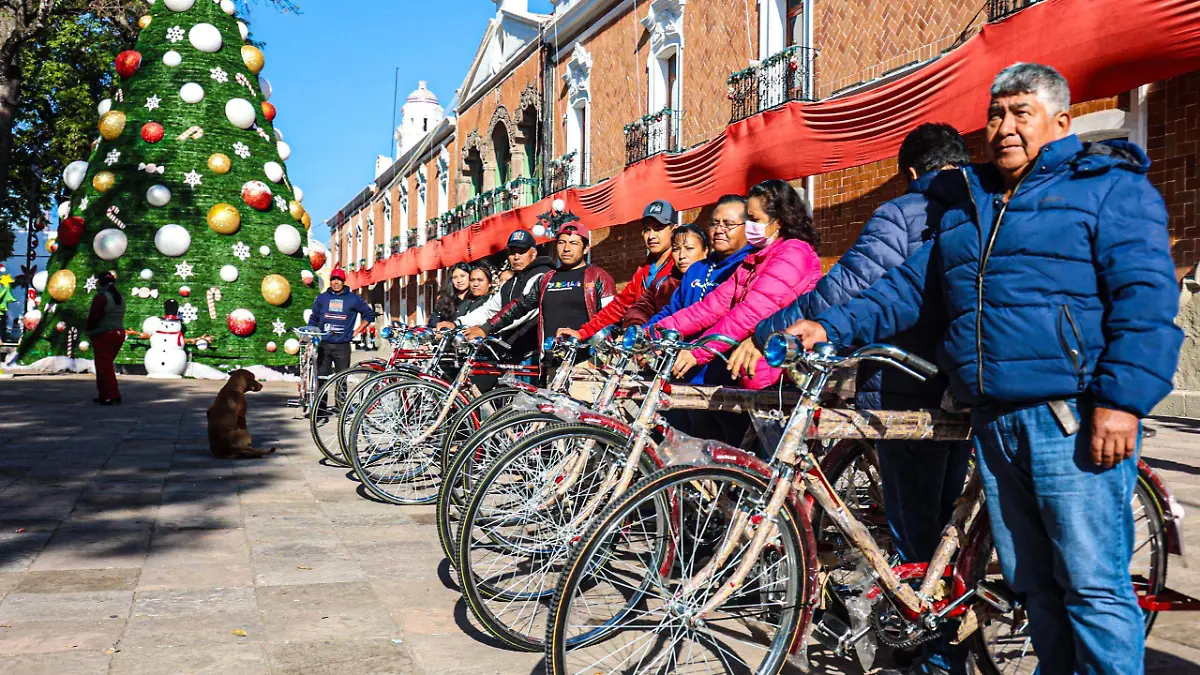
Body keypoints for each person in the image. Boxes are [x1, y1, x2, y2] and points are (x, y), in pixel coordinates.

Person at [789, 63, 1183, 675]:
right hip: (994, 420)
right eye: (996, 113)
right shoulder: (972, 207)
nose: (1003, 126)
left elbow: (1147, 305)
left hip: (1072, 419)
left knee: (1091, 584)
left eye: (1020, 112)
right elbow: (906, 289)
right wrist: (829, 326)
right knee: (1034, 586)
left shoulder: (1108, 189)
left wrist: (1123, 402)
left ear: (1061, 121)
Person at [730, 122, 974, 674]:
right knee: (944, 522)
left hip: (904, 386)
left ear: (909, 173)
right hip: (957, 383)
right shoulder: (976, 211)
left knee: (918, 525)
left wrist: (772, 333)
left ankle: (933, 649)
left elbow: (852, 291)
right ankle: (941, 632)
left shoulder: (903, 214)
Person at [657, 179, 823, 390]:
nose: (750, 226)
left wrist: (698, 351)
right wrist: (652, 333)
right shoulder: (755, 259)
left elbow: (750, 313)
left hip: (785, 373)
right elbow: (709, 308)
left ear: (778, 221)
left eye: (754, 219)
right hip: (757, 372)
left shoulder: (793, 253)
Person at [465, 221, 614, 374]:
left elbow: (612, 320)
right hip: (552, 363)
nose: (567, 248)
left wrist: (599, 358)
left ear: (586, 248)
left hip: (585, 365)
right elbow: (519, 306)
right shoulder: (546, 279)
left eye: (574, 243)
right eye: (562, 242)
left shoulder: (598, 277)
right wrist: (486, 328)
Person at [558, 200, 677, 342]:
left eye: (658, 228)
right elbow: (618, 306)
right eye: (647, 229)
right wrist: (583, 332)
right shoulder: (644, 269)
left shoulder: (681, 267)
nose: (651, 236)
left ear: (674, 230)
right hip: (642, 345)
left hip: (670, 345)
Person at [450, 230, 555, 364]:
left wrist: (486, 328)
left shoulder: (541, 276)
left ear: (533, 253)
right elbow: (488, 309)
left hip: (531, 352)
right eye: (512, 252)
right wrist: (457, 323)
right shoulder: (510, 283)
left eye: (521, 251)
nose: (516, 257)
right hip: (509, 349)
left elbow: (523, 311)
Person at [622, 224, 710, 328]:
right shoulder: (662, 284)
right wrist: (635, 326)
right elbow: (641, 308)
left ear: (705, 251)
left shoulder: (715, 280)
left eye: (689, 248)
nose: (681, 256)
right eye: (676, 249)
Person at [308, 268, 377, 380]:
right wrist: (309, 334)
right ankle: (321, 398)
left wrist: (357, 331)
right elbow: (314, 318)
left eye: (339, 280)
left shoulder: (353, 299)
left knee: (341, 380)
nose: (336, 282)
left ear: (343, 281)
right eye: (333, 279)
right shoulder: (322, 298)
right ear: (330, 281)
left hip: (342, 346)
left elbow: (369, 314)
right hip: (324, 345)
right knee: (321, 379)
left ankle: (341, 398)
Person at [85, 272, 126, 405]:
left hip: (104, 334)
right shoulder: (120, 297)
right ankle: (104, 394)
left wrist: (88, 330)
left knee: (104, 366)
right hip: (119, 333)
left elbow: (94, 316)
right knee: (106, 365)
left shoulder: (101, 297)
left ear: (100, 282)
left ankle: (111, 395)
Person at [427, 262, 472, 327]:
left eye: (462, 276)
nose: (459, 280)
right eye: (455, 277)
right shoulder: (445, 299)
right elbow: (434, 319)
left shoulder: (475, 298)